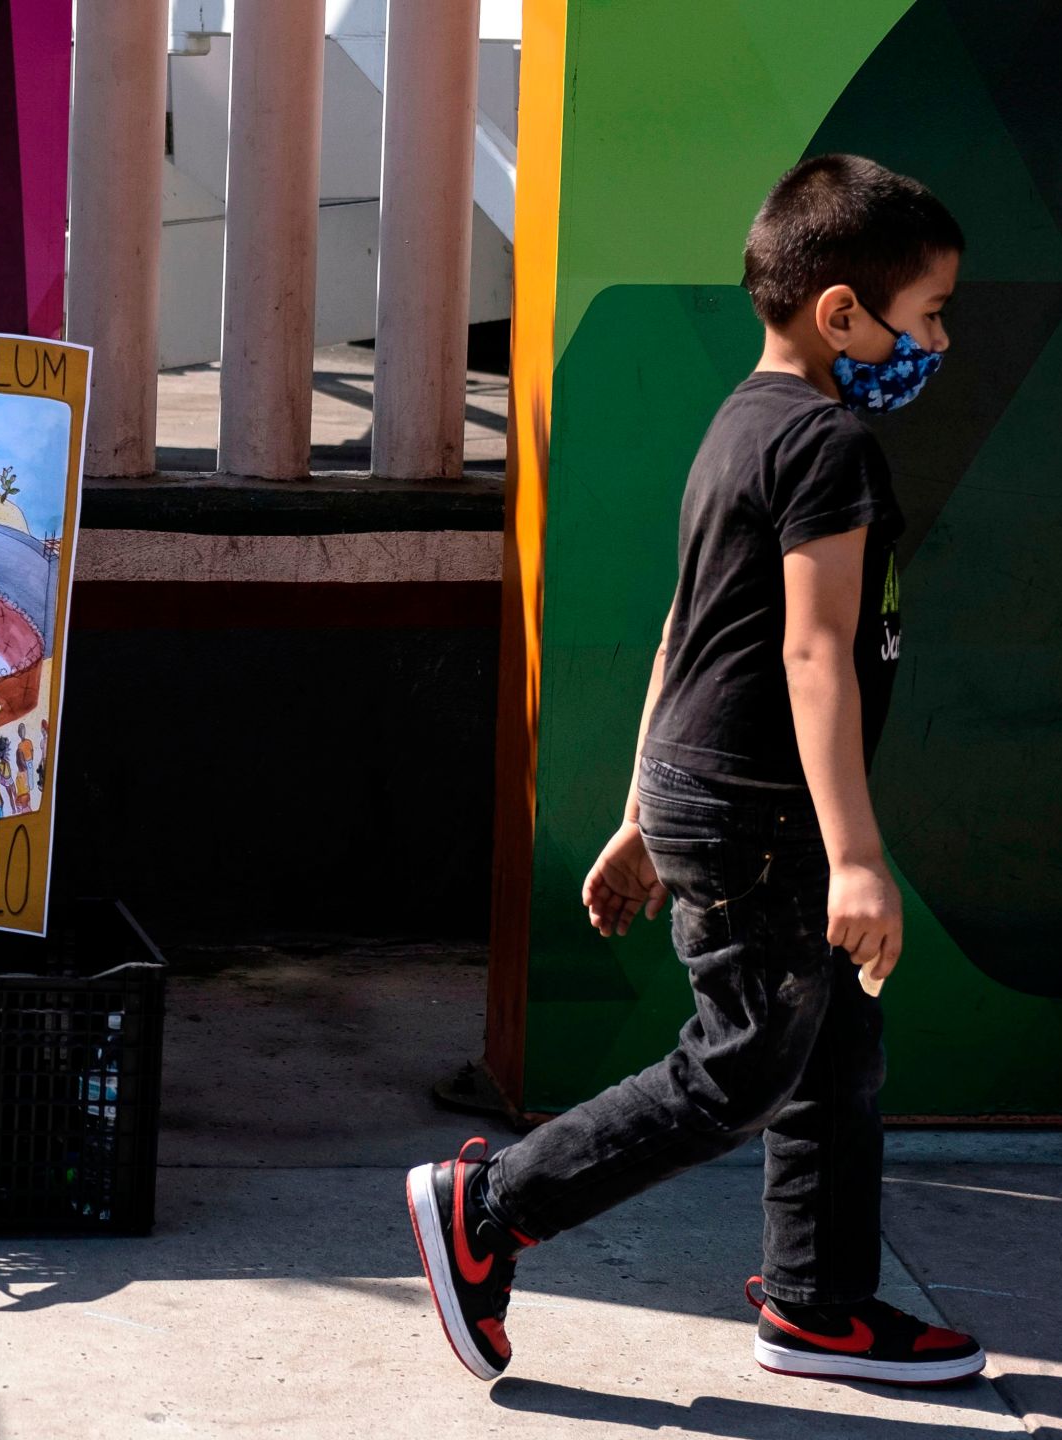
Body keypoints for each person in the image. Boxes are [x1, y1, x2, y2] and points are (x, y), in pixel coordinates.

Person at [405, 156, 982, 1387]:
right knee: (743, 1061)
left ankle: (820, 1304)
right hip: (762, 813)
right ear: (842, 313)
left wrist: (636, 815)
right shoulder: (827, 443)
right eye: (927, 314)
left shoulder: (741, 421)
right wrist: (857, 856)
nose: (939, 339)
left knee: (831, 1053)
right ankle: (489, 1206)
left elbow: (686, 626)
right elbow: (812, 649)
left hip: (712, 794)